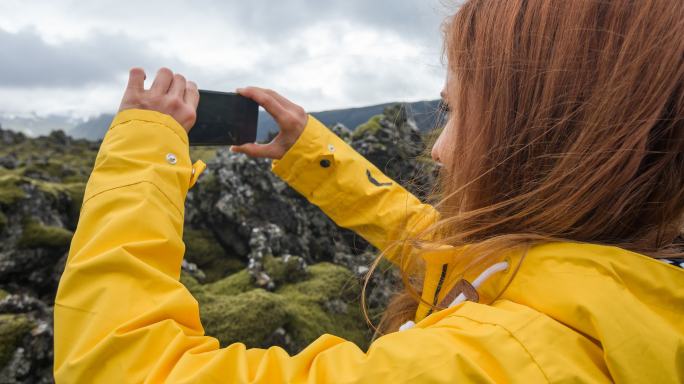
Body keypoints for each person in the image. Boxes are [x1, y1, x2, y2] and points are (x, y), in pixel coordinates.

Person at [54, 0, 683, 382]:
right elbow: (443, 251)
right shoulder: (614, 281)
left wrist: (143, 150)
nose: (437, 148)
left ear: (558, 136)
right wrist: (314, 153)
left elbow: (120, 365)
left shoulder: (506, 362)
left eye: (459, 114)